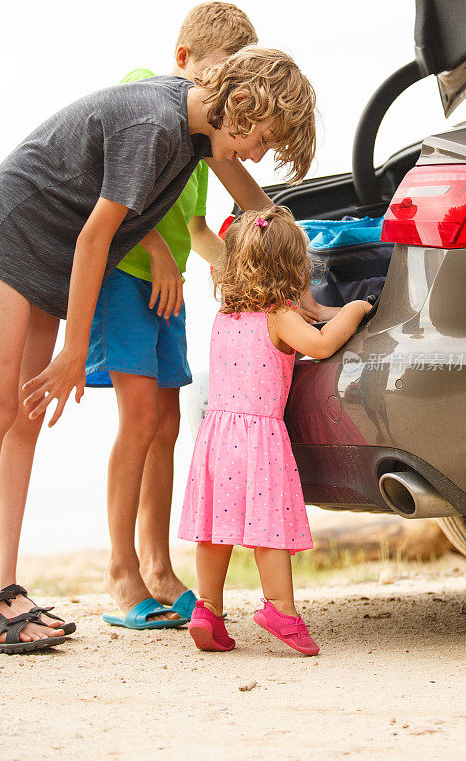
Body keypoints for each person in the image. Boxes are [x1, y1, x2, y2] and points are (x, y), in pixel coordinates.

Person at [0, 45, 317, 653]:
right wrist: (76, 349)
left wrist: (304, 292)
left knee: (24, 419)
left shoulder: (201, 132)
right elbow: (95, 239)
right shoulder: (155, 126)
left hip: (53, 252)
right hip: (19, 228)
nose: (258, 153)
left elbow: (259, 207)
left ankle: (4, 587)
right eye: (262, 137)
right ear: (238, 103)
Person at [85, 2, 261, 630]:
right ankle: (120, 568)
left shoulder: (197, 140)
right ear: (183, 58)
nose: (218, 92)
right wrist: (157, 253)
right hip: (124, 277)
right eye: (214, 74)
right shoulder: (144, 88)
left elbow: (193, 223)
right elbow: (118, 194)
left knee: (166, 423)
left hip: (167, 290)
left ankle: (159, 566)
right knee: (137, 420)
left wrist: (228, 260)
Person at [179, 206, 372, 656]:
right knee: (268, 529)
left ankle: (207, 608)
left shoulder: (227, 314)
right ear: (292, 268)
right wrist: (359, 308)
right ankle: (280, 609)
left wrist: (318, 310)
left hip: (216, 436)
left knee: (215, 529)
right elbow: (322, 344)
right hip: (259, 439)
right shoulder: (279, 316)